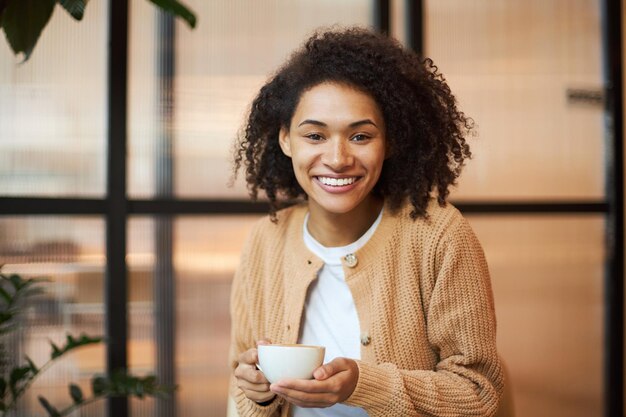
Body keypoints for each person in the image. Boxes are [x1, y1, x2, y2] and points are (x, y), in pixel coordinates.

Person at [229, 26, 503, 417]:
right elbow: (240, 383)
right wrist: (257, 392)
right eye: (315, 136)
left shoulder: (438, 236)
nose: (338, 158)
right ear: (286, 139)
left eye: (360, 136)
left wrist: (363, 384)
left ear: (390, 141)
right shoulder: (265, 240)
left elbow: (479, 393)